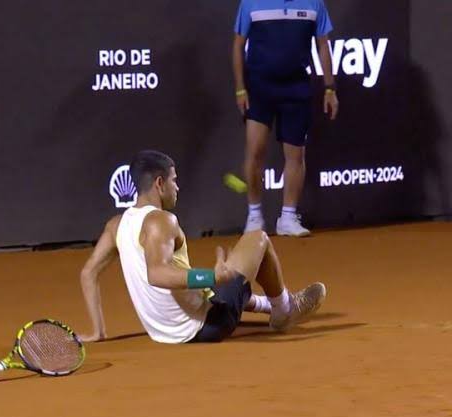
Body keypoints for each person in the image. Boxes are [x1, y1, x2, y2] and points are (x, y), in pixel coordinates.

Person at [79, 150, 326, 344]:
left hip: (162, 332)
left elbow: (88, 273)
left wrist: (98, 330)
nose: (177, 187)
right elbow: (157, 274)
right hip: (204, 326)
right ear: (159, 183)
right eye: (174, 181)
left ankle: (266, 305)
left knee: (215, 282)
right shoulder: (162, 220)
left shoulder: (116, 225)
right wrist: (210, 276)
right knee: (257, 239)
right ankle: (285, 309)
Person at [232, 0, 339, 237]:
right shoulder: (251, 3)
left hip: (297, 88)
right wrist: (241, 88)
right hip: (259, 88)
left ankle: (288, 217)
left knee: (296, 154)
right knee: (255, 151)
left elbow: (323, 45)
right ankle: (254, 215)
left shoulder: (314, 4)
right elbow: (238, 45)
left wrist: (330, 87)